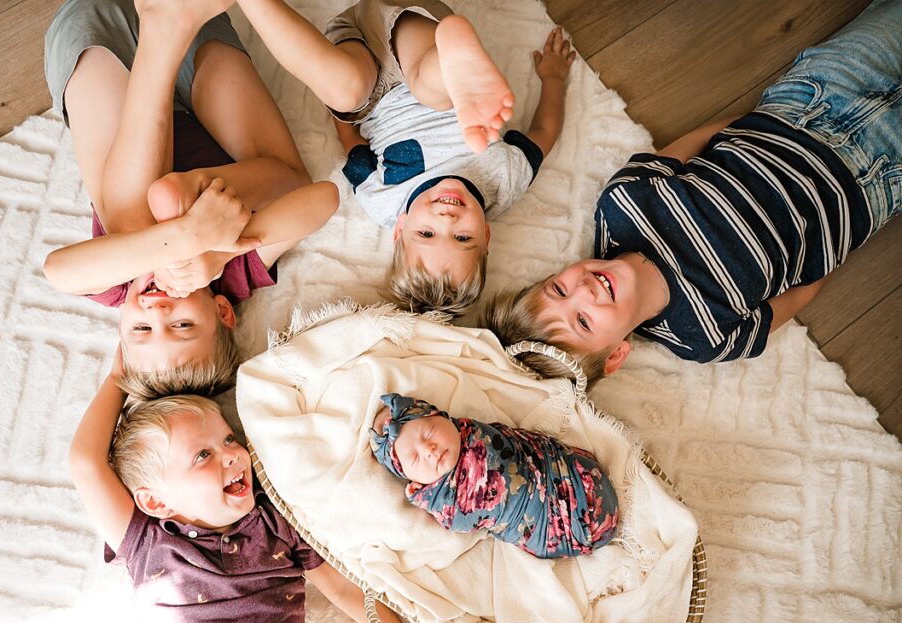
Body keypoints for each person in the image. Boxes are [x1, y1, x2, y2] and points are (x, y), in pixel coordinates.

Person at [484, 0, 901, 381]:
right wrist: (836, 240)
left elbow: (690, 146)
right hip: (875, 184)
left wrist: (758, 119)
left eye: (558, 289)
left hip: (807, 102)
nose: (584, 291)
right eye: (584, 322)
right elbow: (796, 295)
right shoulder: (704, 337)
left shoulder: (623, 206)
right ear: (615, 356)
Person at [68, 354, 471, 623]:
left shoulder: (275, 520)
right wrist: (119, 376)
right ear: (155, 501)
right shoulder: (147, 541)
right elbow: (86, 461)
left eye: (228, 438)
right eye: (202, 456)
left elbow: (346, 591)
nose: (232, 454)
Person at [42, 0, 338, 398]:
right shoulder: (232, 274)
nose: (158, 313)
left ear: (121, 327)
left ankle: (159, 44)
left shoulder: (115, 285)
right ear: (222, 312)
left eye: (141, 330)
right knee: (291, 180)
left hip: (101, 49)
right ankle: (165, 34)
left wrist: (187, 236)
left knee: (132, 225)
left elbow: (59, 272)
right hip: (196, 45)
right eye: (182, 326)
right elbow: (323, 199)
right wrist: (216, 250)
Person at [233, 0, 576, 315]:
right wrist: (553, 78)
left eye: (426, 233)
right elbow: (544, 132)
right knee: (434, 92)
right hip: (418, 38)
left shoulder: (382, 200)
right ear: (485, 236)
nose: (447, 218)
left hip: (366, 74)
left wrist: (339, 103)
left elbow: (350, 139)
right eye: (462, 238)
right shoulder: (503, 180)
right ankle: (456, 60)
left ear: (400, 228)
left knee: (346, 90)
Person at [369, 393, 618, 559]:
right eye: (414, 458)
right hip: (550, 525)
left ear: (441, 416)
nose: (429, 450)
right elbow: (467, 522)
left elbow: (513, 445)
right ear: (413, 481)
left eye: (429, 432)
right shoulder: (442, 501)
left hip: (561, 473)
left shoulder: (472, 431)